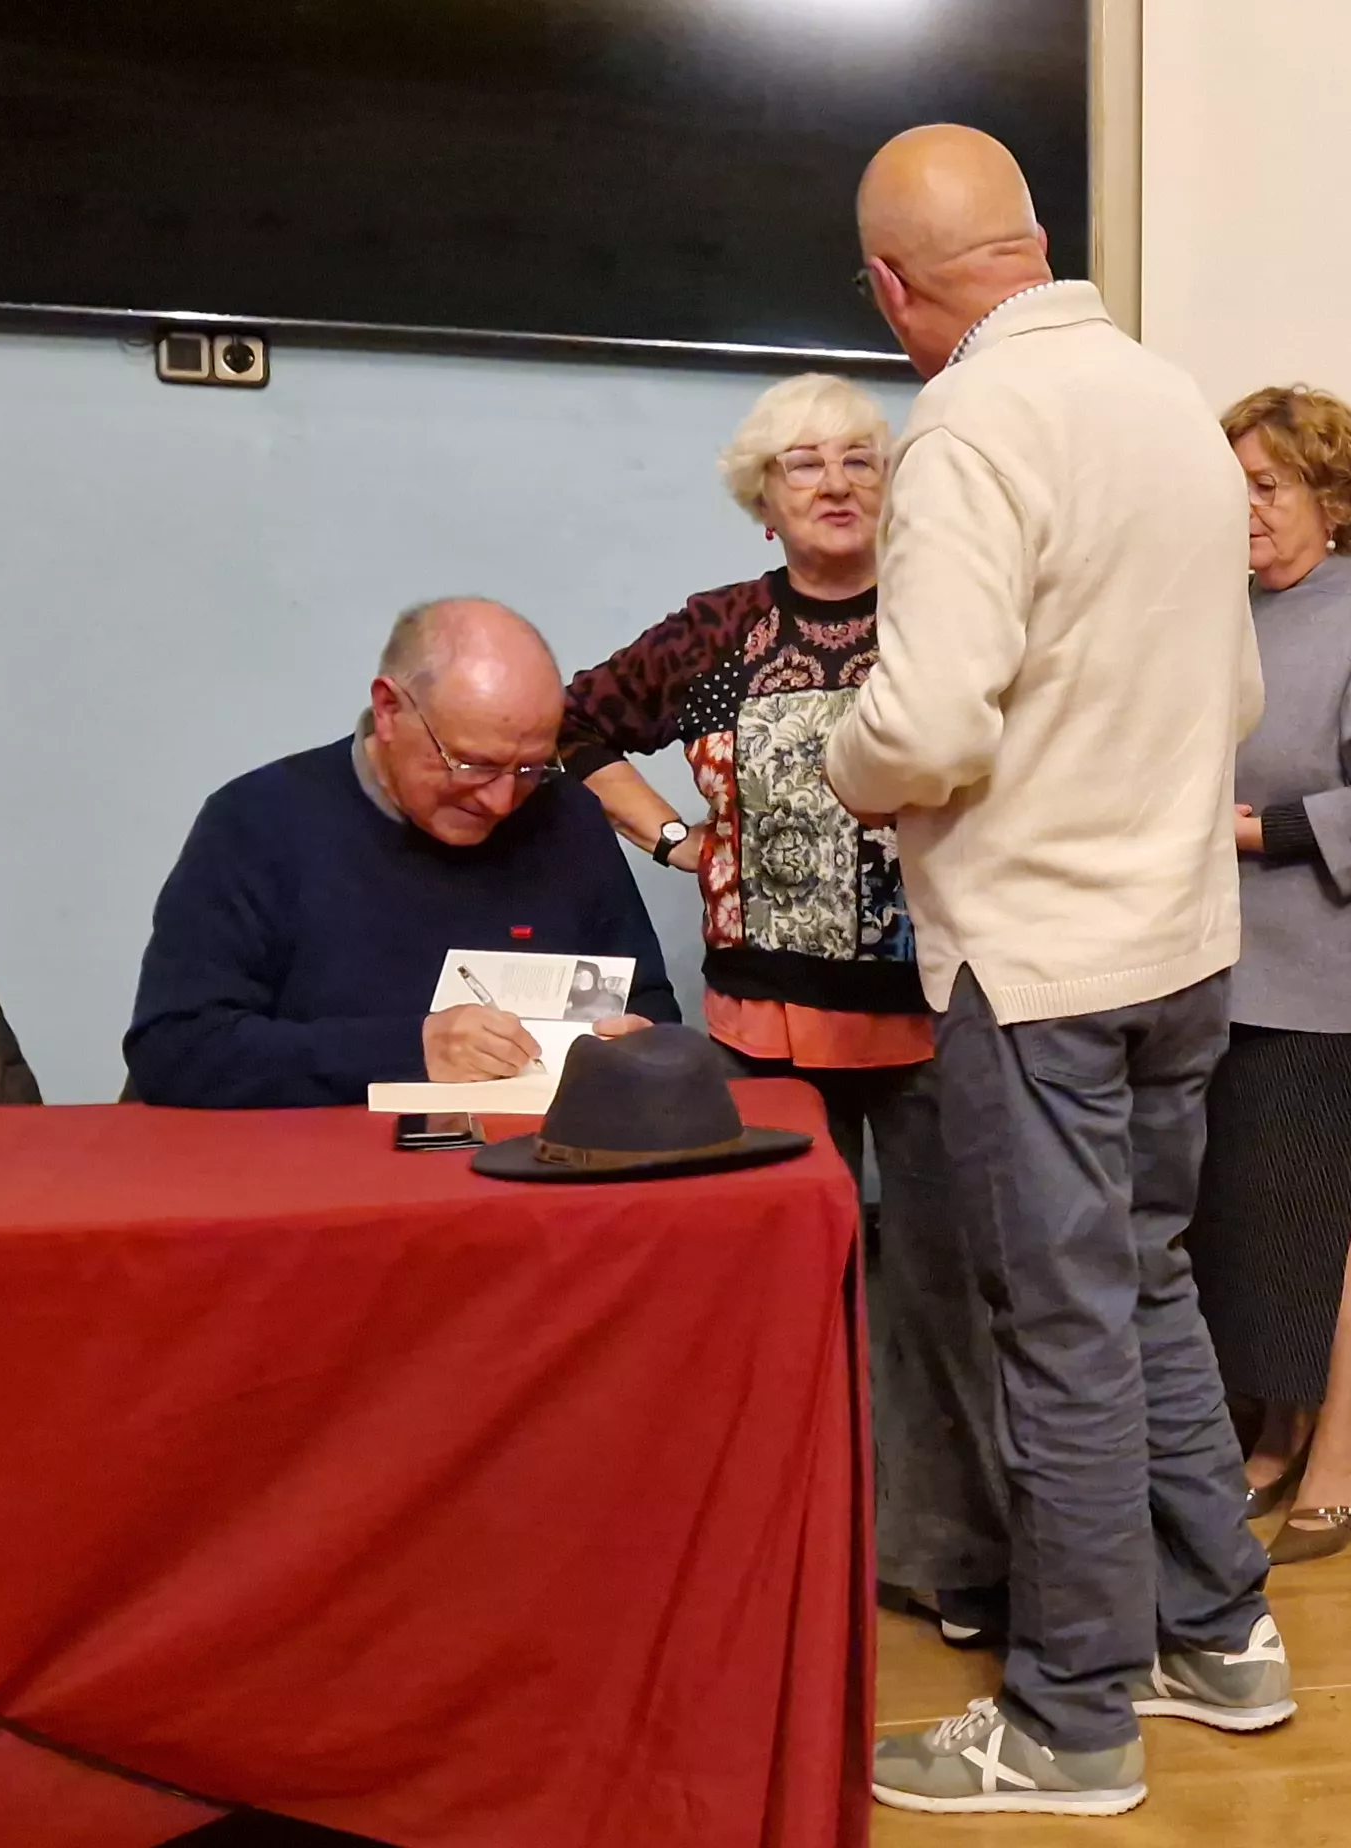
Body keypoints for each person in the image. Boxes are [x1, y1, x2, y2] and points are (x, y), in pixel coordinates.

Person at [829, 124, 1283, 1818]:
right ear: (1030, 241)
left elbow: (932, 722)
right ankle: (1220, 1629)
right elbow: (1231, 697)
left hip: (1032, 962)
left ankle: (1075, 1713)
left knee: (1065, 1327)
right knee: (1147, 1284)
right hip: (1179, 942)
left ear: (891, 287)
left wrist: (842, 762)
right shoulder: (1167, 399)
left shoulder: (966, 423)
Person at [551, 373, 1004, 1648]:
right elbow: (570, 731)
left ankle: (948, 1557)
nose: (837, 485)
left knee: (940, 1301)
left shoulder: (940, 625)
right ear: (764, 504)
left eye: (861, 460)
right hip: (761, 1028)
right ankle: (775, 1540)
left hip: (929, 1020)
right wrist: (673, 841)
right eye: (803, 467)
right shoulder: (717, 642)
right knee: (771, 1288)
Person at [1198, 384, 1351, 1566]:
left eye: (1270, 485)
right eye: (1232, 483)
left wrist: (1251, 832)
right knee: (1248, 1225)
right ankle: (1274, 1428)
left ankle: (1341, 1447)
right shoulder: (1214, 612)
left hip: (1330, 974)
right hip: (1211, 966)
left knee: (1335, 1222)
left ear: (1333, 499)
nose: (1246, 508)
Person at [126, 598, 671, 1108]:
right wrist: (411, 1050)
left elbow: (651, 1005)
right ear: (388, 710)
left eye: (529, 768)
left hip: (538, 1172)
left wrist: (641, 1045)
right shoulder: (258, 823)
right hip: (323, 1180)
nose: (501, 800)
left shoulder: (567, 817)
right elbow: (176, 1047)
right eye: (473, 764)